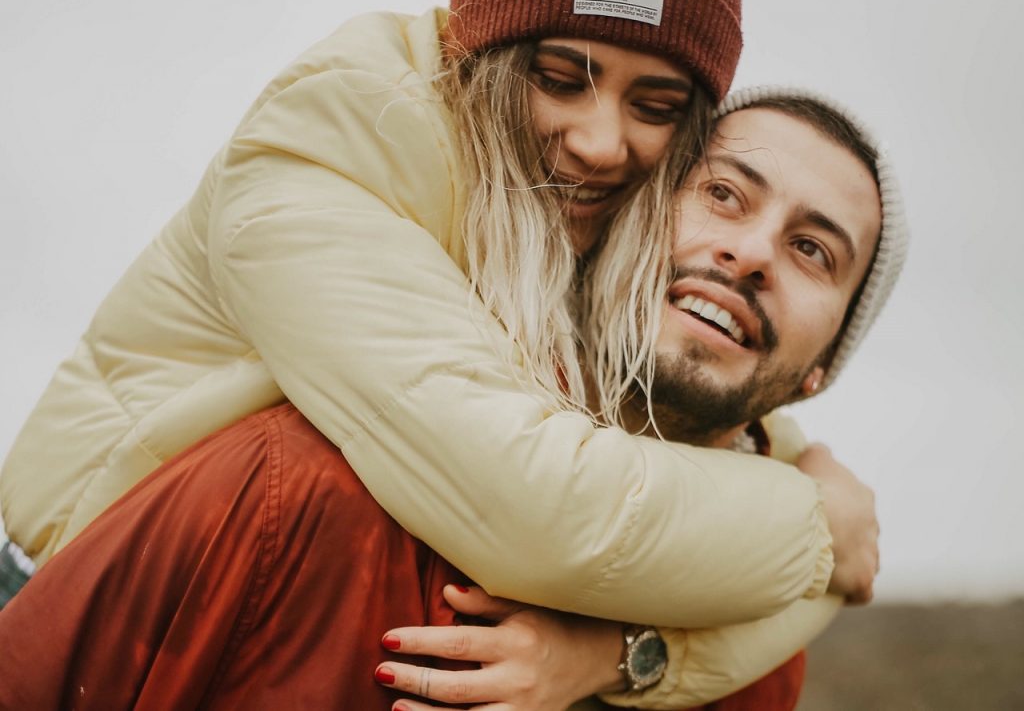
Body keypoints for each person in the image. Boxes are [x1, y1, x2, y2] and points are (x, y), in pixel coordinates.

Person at [0, 89, 908, 711]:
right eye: (721, 193)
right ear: (633, 218)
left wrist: (618, 654)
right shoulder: (327, 473)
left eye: (813, 251)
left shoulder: (759, 642)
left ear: (822, 363)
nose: (750, 252)